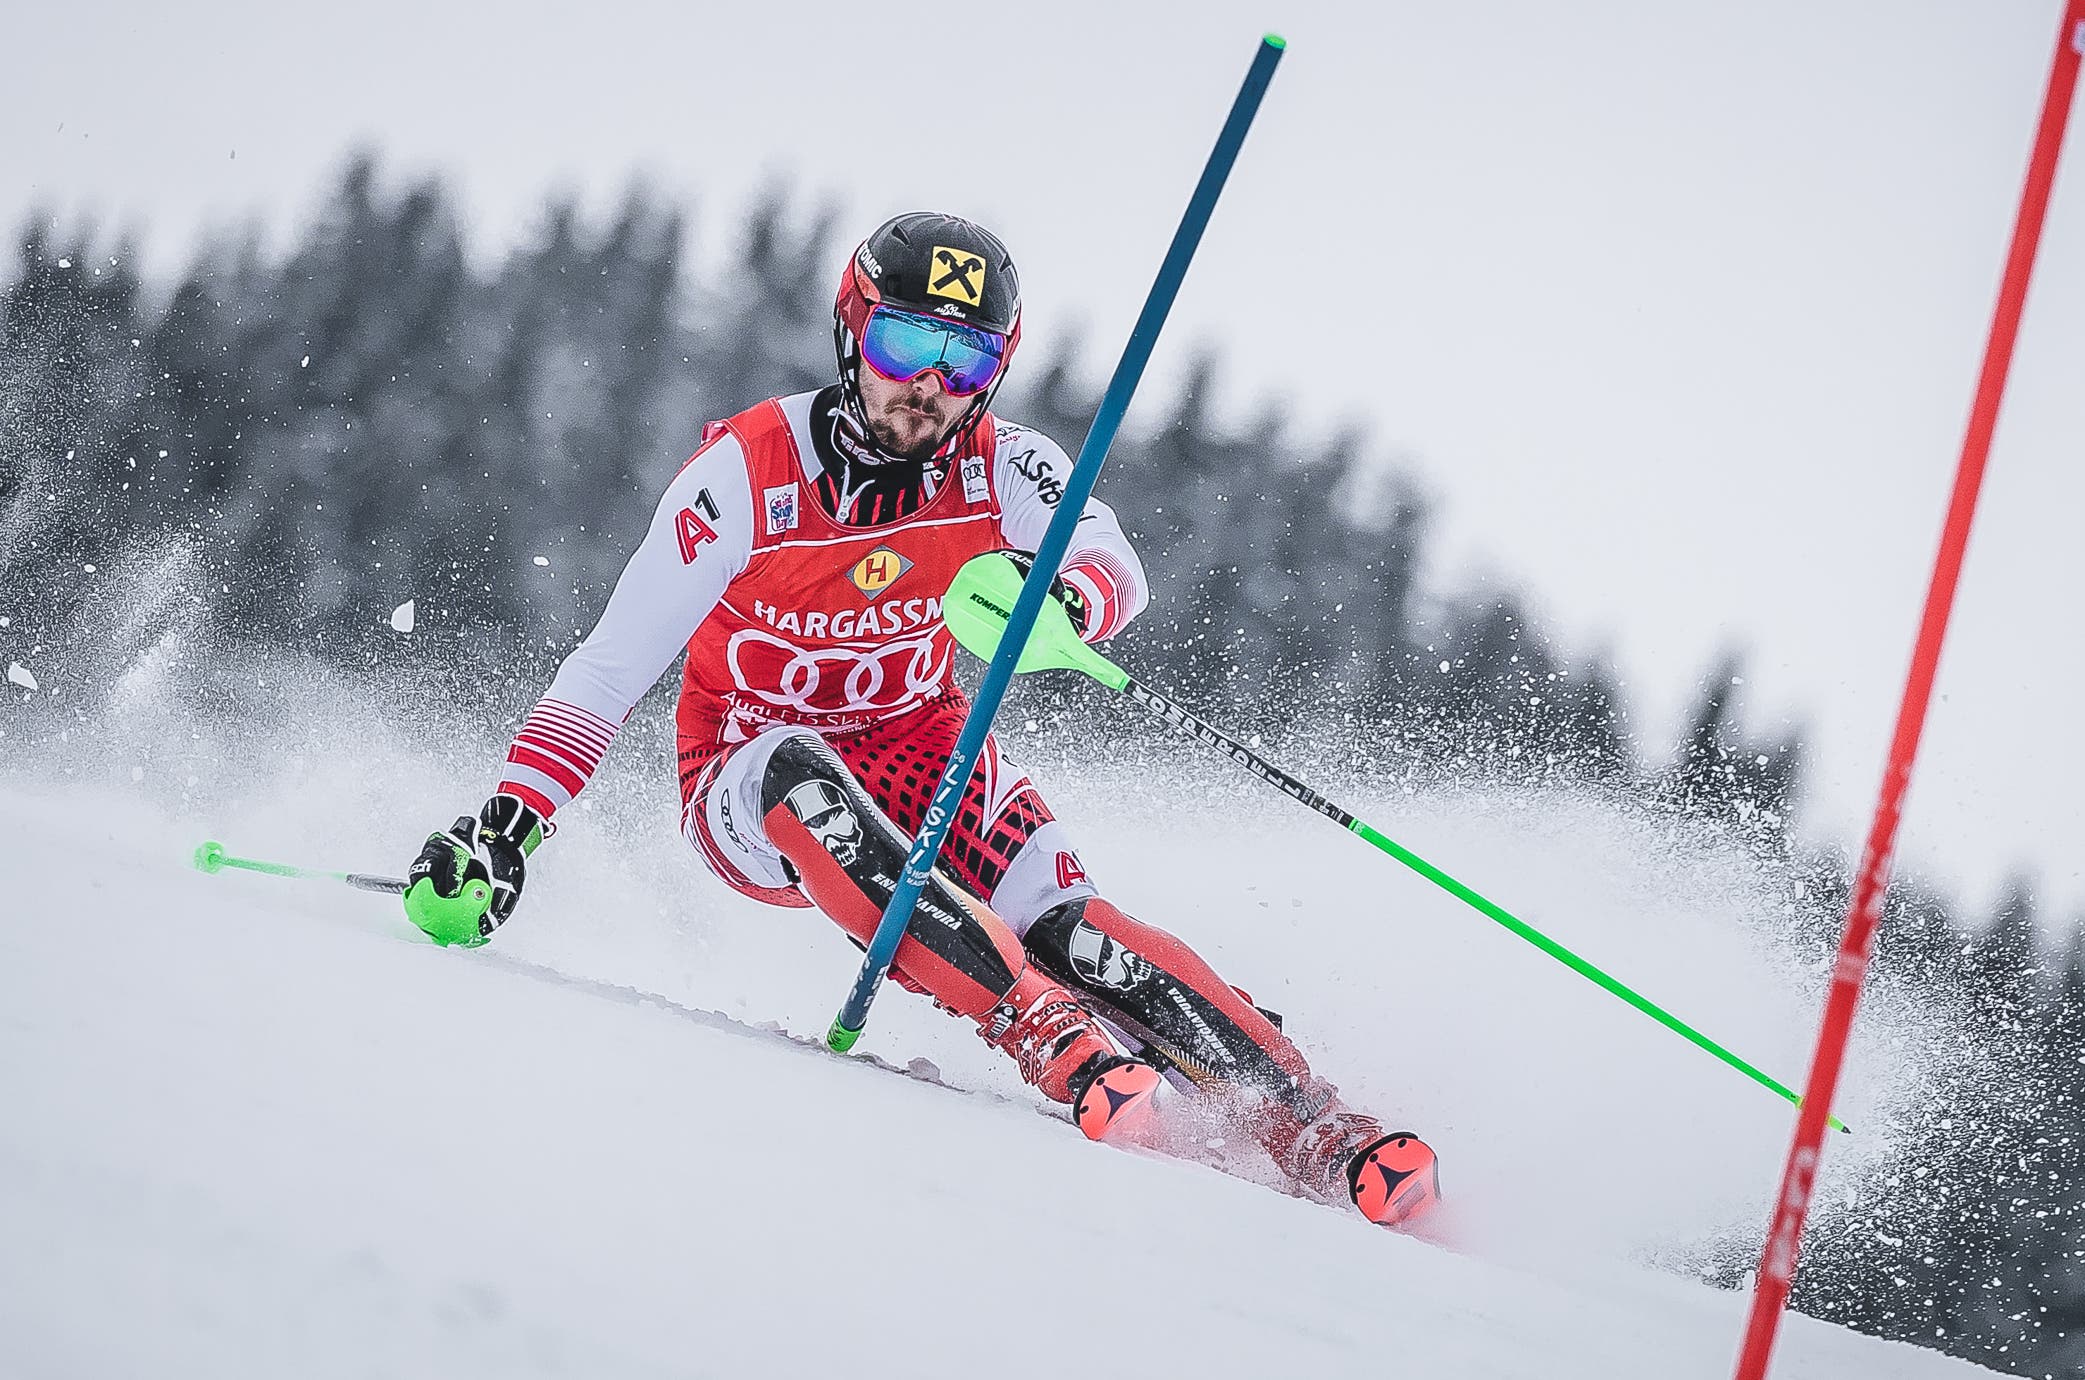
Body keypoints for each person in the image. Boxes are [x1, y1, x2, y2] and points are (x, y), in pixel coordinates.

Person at [402, 211, 1439, 1228]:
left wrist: (1067, 597)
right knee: (798, 771)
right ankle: (1036, 1023)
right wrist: (508, 827)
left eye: (966, 360)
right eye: (905, 345)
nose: (929, 387)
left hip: (923, 747)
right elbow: (611, 667)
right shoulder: (746, 473)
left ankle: (1312, 1123)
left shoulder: (1000, 464)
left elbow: (1110, 552)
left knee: (1075, 930)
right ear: (853, 333)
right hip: (747, 779)